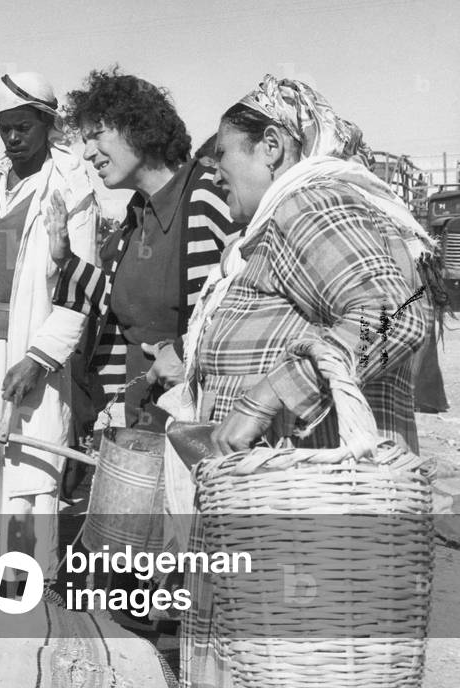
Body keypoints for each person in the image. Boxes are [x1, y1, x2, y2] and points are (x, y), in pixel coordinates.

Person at [177, 75, 439, 687]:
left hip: (308, 528)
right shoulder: (280, 221)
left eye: (222, 154)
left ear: (272, 146)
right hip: (293, 526)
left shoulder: (308, 204)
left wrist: (267, 398)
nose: (214, 174)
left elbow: (392, 312)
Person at [0, 72, 99, 589]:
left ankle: (24, 594)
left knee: (25, 476)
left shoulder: (71, 187)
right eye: (5, 127)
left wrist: (40, 358)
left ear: (48, 124)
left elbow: (83, 287)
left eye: (23, 126)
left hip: (29, 349)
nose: (12, 138)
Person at [48, 68, 241, 432]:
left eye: (96, 136)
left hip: (205, 427)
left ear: (137, 128)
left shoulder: (207, 195)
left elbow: (256, 298)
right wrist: (66, 261)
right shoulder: (135, 218)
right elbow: (121, 306)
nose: (88, 152)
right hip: (145, 423)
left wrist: (186, 353)